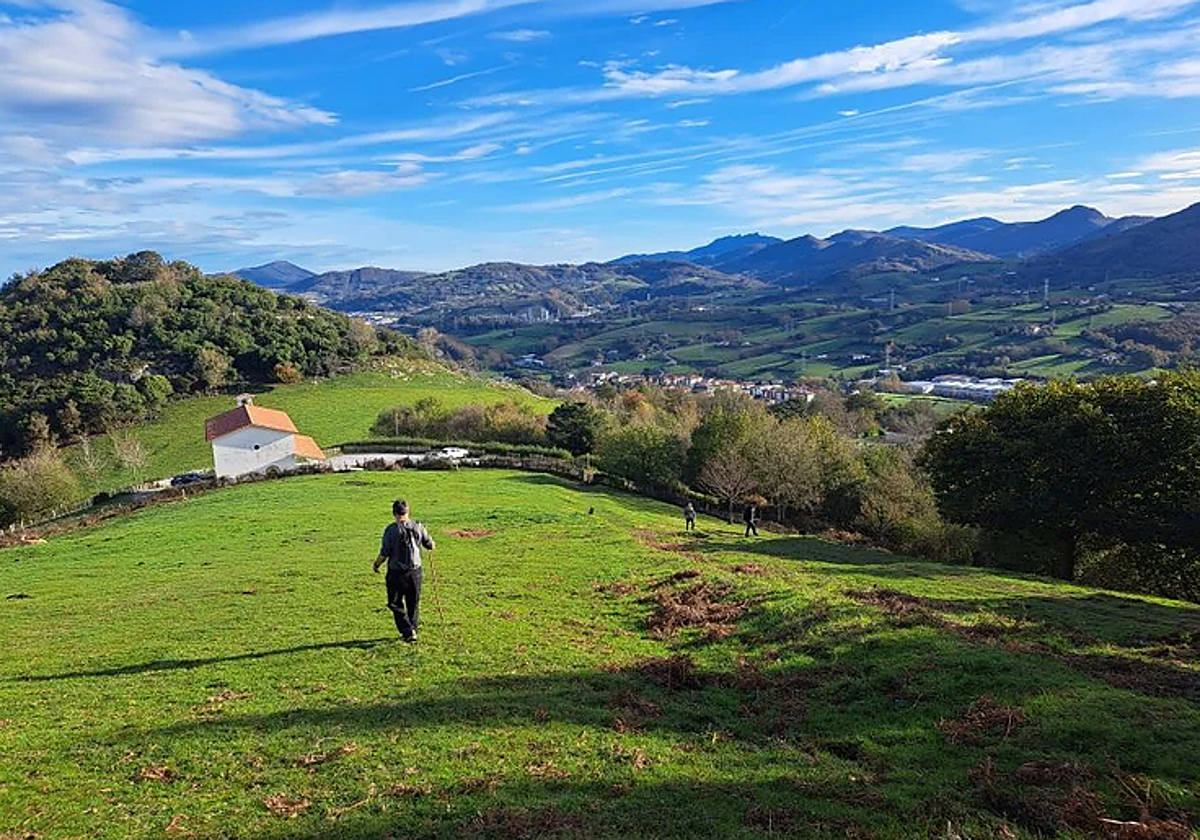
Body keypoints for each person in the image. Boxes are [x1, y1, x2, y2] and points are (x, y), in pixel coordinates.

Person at [373, 499, 435, 643]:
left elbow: (385, 553)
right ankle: (412, 629)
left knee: (394, 603)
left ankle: (408, 631)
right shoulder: (418, 526)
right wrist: (431, 545)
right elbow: (429, 544)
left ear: (394, 513)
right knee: (413, 602)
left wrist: (376, 565)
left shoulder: (390, 530)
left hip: (396, 572)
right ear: (408, 511)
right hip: (415, 571)